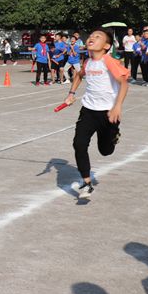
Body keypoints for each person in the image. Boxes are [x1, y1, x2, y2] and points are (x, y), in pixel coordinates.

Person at [61, 28, 128, 200]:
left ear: (106, 46)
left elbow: (124, 84)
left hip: (108, 113)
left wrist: (117, 107)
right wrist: (71, 94)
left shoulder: (108, 61)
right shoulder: (88, 62)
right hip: (88, 111)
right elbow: (79, 75)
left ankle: (114, 135)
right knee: (79, 144)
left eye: (97, 37)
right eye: (91, 36)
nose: (92, 38)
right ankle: (87, 183)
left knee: (105, 151)